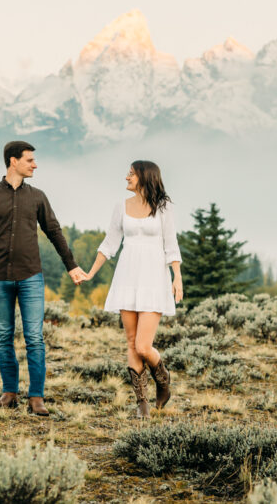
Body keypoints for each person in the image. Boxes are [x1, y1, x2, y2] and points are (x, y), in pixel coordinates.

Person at [0, 140, 87, 417]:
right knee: (3, 337)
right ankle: (9, 393)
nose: (35, 164)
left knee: (34, 338)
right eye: (29, 160)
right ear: (13, 161)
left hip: (31, 278)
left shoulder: (37, 197)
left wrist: (71, 265)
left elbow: (54, 231)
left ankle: (36, 398)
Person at [79, 160, 182, 418]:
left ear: (145, 177)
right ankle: (142, 404)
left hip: (154, 278)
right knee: (130, 343)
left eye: (131, 174)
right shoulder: (121, 206)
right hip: (127, 276)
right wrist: (91, 272)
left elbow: (171, 244)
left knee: (143, 346)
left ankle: (163, 378)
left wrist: (177, 276)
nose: (126, 177)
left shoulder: (164, 208)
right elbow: (110, 243)